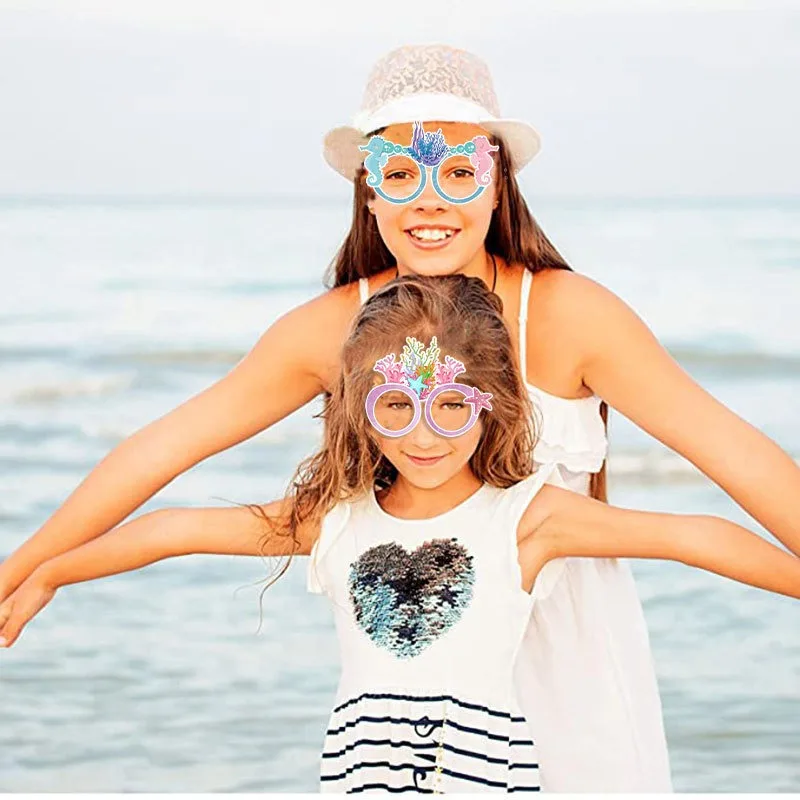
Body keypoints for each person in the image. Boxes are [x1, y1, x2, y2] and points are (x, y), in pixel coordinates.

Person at [1, 43, 799, 791]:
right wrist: (26, 571)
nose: (428, 203)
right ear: (368, 188)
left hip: (571, 651)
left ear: (497, 182)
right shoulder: (331, 328)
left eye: (457, 172)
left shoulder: (570, 314)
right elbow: (159, 454)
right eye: (400, 175)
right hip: (416, 674)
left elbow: (733, 458)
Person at [2, 275, 798, 795]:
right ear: (361, 413)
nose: (425, 435)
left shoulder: (528, 518)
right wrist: (52, 572)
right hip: (359, 777)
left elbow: (695, 535)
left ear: (490, 405)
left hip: (485, 778)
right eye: (396, 407)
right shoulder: (336, 522)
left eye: (451, 406)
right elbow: (174, 529)